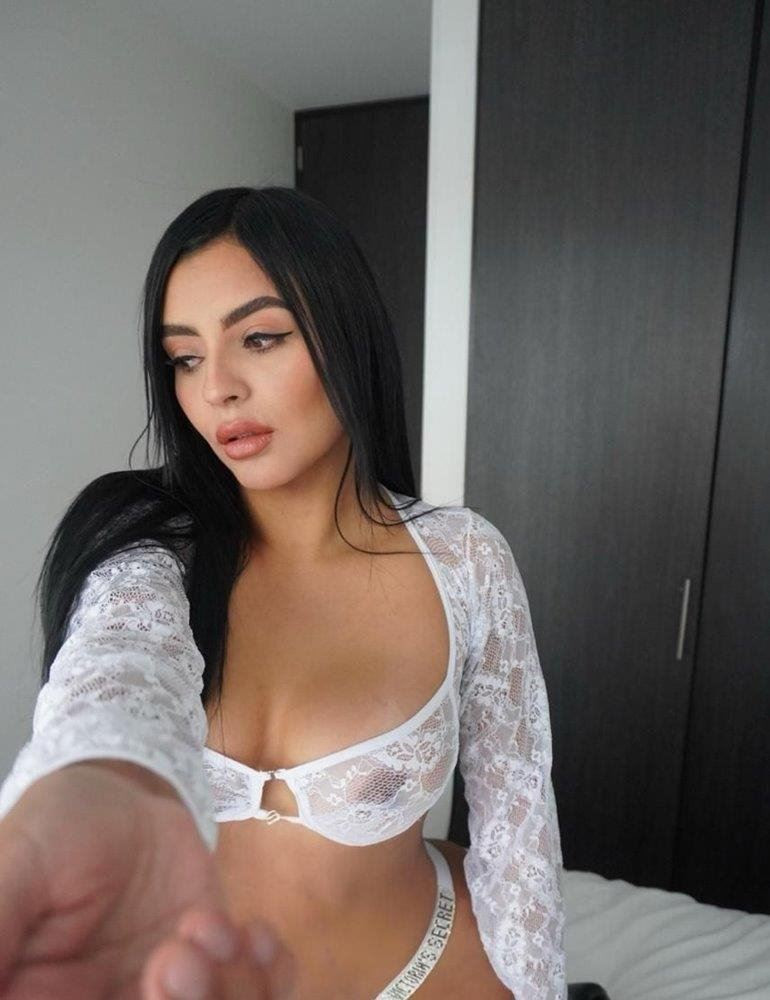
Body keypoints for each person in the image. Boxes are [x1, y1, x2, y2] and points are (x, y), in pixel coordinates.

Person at [0, 186, 567, 999]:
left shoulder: (464, 560)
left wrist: (535, 987)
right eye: (185, 358)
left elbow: (518, 822)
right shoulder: (146, 548)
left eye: (259, 338)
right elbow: (119, 670)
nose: (217, 389)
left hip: (429, 969)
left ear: (346, 333)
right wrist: (94, 779)